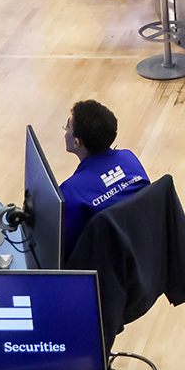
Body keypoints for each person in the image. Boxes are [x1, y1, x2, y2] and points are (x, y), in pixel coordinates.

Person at [60, 99, 150, 257]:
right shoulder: (130, 159)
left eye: (68, 126)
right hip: (144, 250)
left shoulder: (70, 192)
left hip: (105, 265)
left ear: (76, 142)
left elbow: (61, 248)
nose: (65, 130)